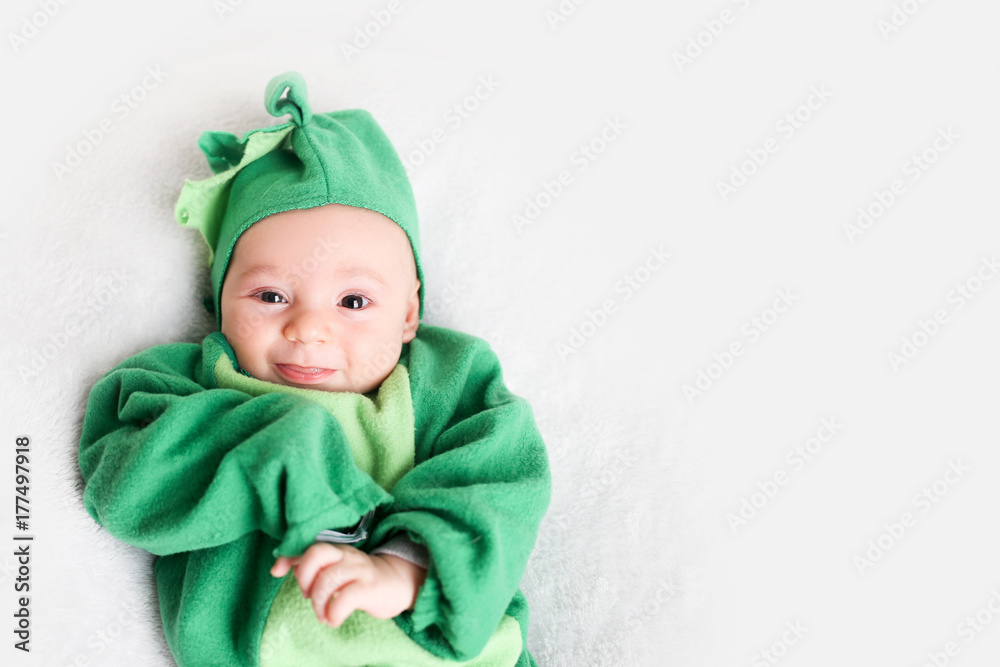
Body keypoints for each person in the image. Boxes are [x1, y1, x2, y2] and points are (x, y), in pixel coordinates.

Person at [77, 71, 551, 667]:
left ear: (409, 315)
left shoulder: (448, 380)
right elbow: (123, 482)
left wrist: (405, 564)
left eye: (353, 301)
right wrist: (279, 449)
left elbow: (500, 480)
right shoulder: (180, 385)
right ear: (220, 302)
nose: (307, 329)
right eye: (270, 296)